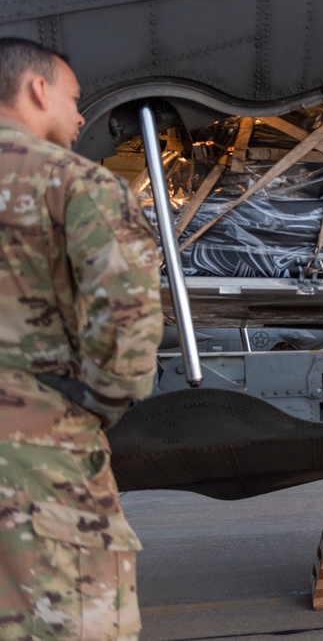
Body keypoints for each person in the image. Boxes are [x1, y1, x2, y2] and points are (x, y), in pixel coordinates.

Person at [0, 37, 163, 639]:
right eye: (74, 100)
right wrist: (97, 403)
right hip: (42, 478)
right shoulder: (74, 184)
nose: (80, 118)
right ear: (37, 89)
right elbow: (128, 319)